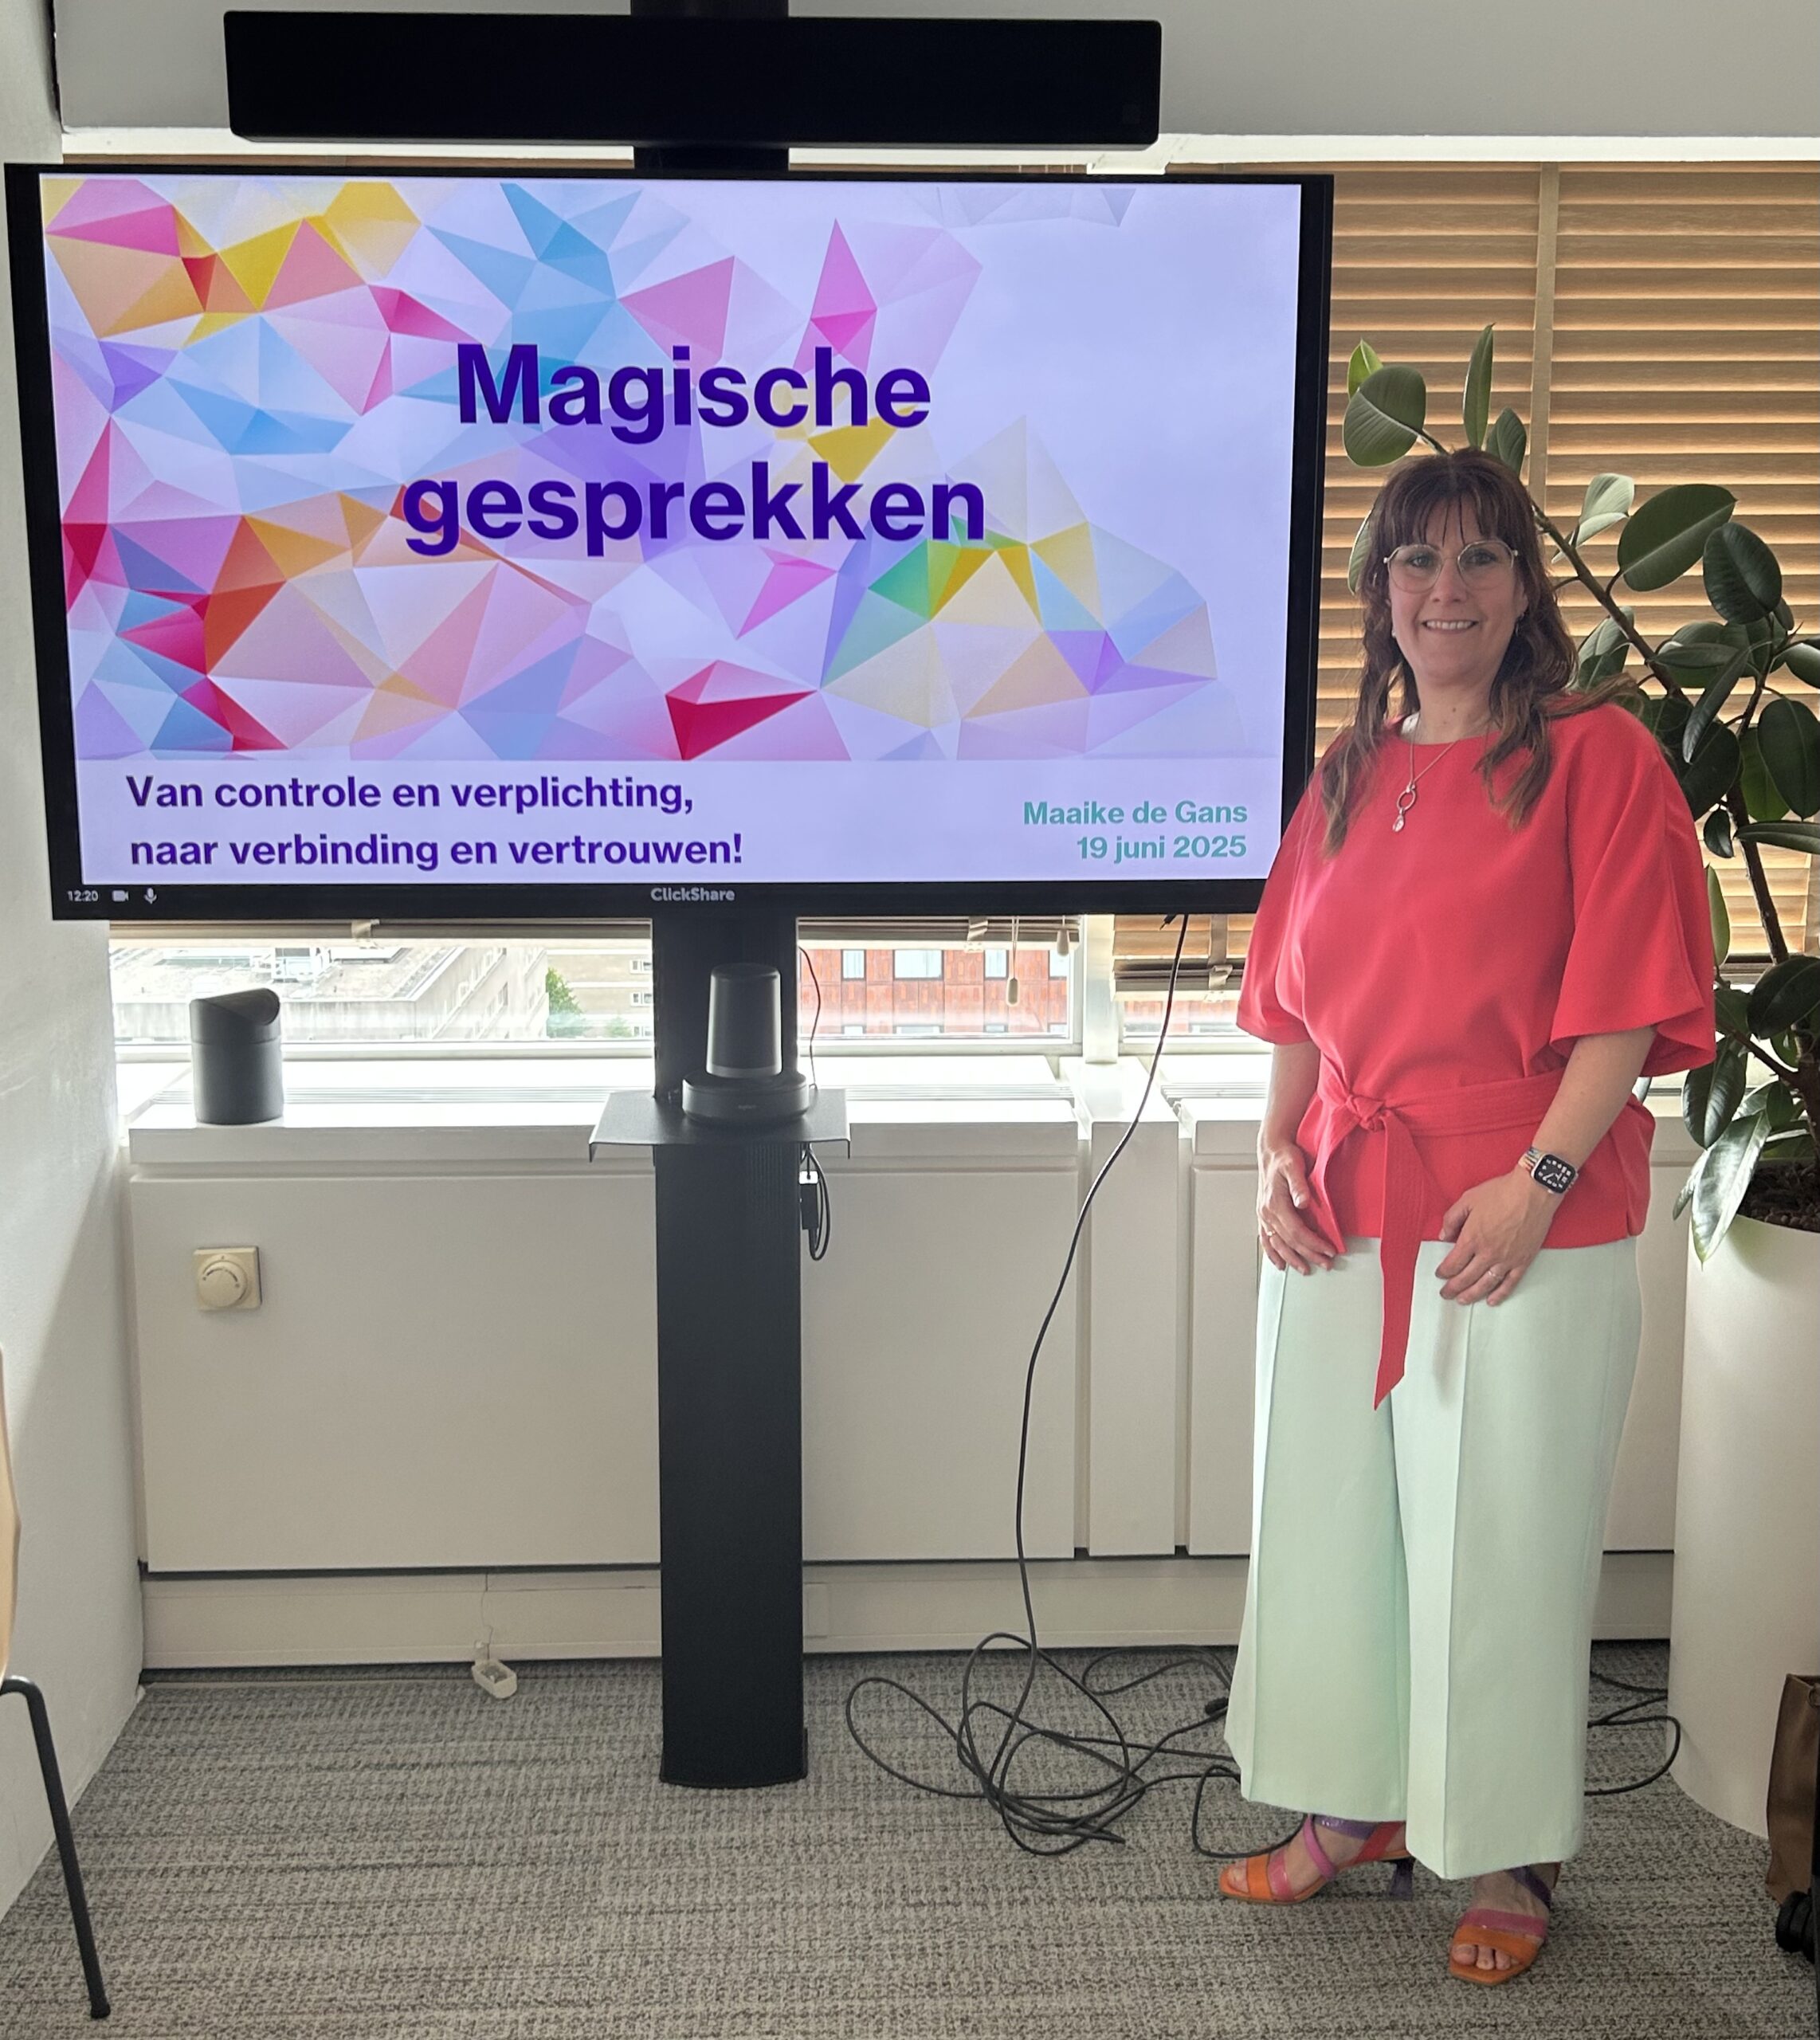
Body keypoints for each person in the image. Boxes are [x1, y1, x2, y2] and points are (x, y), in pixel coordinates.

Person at [1214, 447, 1714, 1985]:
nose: (1447, 588)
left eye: (1479, 557)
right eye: (1416, 560)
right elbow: (1290, 999)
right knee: (1325, 1530)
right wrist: (1273, 1151)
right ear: (1378, 590)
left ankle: (1505, 1852)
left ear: (1521, 587)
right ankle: (1350, 1804)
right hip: (1340, 1205)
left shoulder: (1599, 758)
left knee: (1497, 1548)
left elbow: (1628, 1006)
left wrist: (1540, 1182)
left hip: (1520, 1211)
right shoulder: (1346, 772)